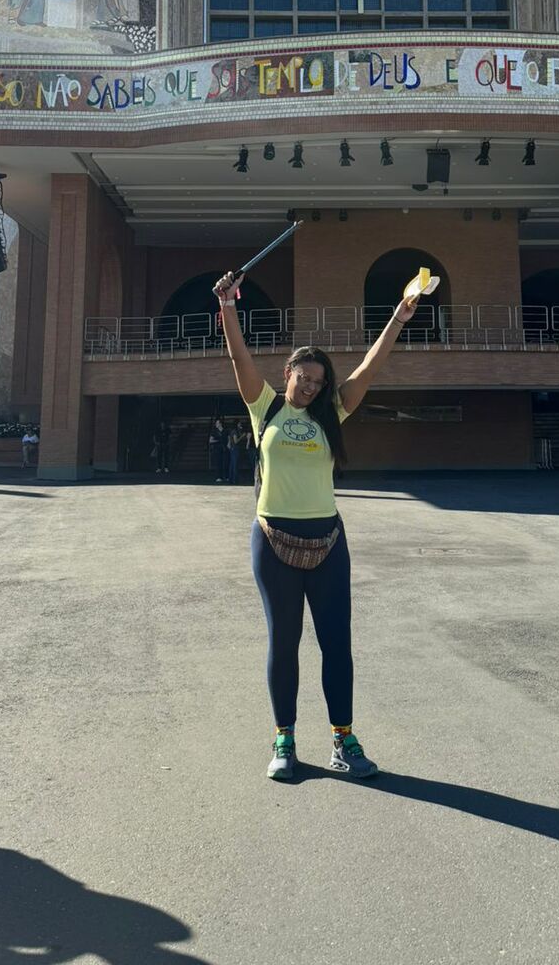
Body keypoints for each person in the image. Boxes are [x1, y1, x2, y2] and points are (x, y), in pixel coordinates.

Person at [214, 266, 419, 783]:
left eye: (317, 381)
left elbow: (372, 365)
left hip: (328, 541)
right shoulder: (264, 409)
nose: (308, 386)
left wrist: (399, 314)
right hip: (273, 539)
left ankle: (343, 741)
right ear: (286, 376)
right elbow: (239, 356)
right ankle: (284, 740)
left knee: (336, 645)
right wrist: (228, 307)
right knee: (284, 643)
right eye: (301, 378)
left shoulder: (333, 413)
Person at [208, 414, 225, 482]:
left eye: (217, 423)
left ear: (220, 424)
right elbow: (210, 440)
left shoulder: (224, 431)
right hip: (217, 449)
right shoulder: (214, 431)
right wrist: (217, 441)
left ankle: (224, 476)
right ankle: (218, 476)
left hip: (224, 448)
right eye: (216, 423)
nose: (216, 424)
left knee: (224, 462)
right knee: (218, 463)